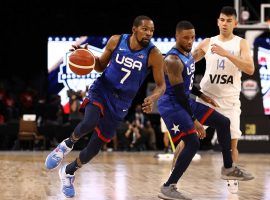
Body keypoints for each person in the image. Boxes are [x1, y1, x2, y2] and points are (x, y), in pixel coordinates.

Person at [45, 15, 165, 198]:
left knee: (94, 149)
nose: (149, 33)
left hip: (122, 102)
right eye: (145, 29)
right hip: (103, 89)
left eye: (151, 30)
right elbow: (100, 66)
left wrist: (154, 97)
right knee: (89, 122)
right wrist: (88, 57)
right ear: (134, 29)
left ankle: (68, 172)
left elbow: (161, 85)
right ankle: (65, 146)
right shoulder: (116, 40)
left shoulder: (154, 54)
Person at [157, 20, 253, 200]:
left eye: (192, 37)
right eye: (186, 38)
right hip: (172, 104)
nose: (190, 41)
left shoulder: (188, 55)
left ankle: (228, 168)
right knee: (193, 142)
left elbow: (186, 85)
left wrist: (202, 95)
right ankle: (169, 185)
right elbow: (178, 95)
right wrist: (195, 121)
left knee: (224, 122)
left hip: (184, 99)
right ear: (176, 36)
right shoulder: (173, 59)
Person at [193, 6, 255, 163]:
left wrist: (226, 53)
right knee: (188, 139)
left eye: (229, 20)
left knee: (231, 145)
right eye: (222, 20)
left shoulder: (241, 43)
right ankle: (173, 175)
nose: (225, 23)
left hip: (229, 101)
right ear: (217, 22)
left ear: (235, 23)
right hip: (207, 97)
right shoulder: (208, 42)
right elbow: (186, 62)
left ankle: (231, 176)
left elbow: (250, 68)